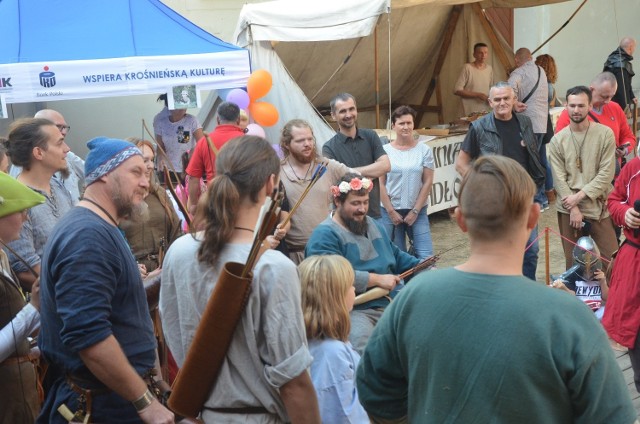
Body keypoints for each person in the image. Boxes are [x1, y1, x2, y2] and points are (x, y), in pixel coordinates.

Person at [356, 155, 637, 424]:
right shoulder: (569, 317)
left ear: (460, 219)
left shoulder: (415, 298)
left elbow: (374, 391)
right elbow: (611, 416)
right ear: (533, 217)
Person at [160, 136, 320, 423]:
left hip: (203, 415)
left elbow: (173, 327)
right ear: (270, 184)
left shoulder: (178, 252)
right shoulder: (274, 267)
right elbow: (294, 382)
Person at [37, 138, 174, 423]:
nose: (145, 184)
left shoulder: (100, 227)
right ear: (103, 175)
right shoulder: (87, 236)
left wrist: (157, 384)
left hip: (116, 398)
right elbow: (88, 335)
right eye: (135, 172)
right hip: (102, 405)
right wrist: (145, 402)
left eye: (147, 174)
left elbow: (119, 311)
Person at [305, 172, 420, 354]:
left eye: (365, 202)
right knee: (363, 349)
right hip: (352, 309)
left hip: (389, 301)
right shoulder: (324, 234)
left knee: (420, 335)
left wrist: (423, 267)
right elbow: (327, 277)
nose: (362, 209)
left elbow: (396, 255)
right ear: (338, 202)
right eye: (355, 203)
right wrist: (375, 279)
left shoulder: (373, 224)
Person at [455, 82, 545, 280]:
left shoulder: (525, 122)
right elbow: (461, 163)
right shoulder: (479, 127)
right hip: (496, 197)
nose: (502, 103)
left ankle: (525, 289)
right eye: (497, 99)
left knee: (530, 249)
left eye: (506, 98)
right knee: (497, 248)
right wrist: (482, 184)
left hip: (525, 193)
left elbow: (533, 156)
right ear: (490, 102)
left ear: (514, 100)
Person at [548, 86, 618, 269]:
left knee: (612, 260)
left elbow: (606, 174)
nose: (576, 110)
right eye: (572, 105)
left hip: (598, 206)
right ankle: (574, 298)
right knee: (573, 265)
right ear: (566, 106)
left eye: (581, 105)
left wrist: (578, 197)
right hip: (569, 209)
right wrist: (573, 208)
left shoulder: (605, 134)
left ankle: (611, 297)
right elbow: (558, 178)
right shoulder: (558, 140)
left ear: (589, 106)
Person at [5, 118, 74, 291]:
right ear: (38, 153)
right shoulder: (17, 201)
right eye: (59, 143)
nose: (67, 149)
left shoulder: (58, 187)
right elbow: (27, 271)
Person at [298, 255, 368, 424]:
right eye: (350, 286)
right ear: (336, 297)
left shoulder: (319, 344)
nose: (354, 290)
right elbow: (344, 415)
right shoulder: (331, 354)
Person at [0, 172, 45, 424]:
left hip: (20, 397)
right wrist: (34, 308)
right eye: (21, 210)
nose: (25, 217)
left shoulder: (3, 257)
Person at [279, 119, 351, 264]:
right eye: (300, 140)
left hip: (326, 248)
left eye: (310, 139)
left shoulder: (326, 165)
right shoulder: (277, 171)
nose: (307, 144)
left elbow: (357, 179)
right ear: (286, 144)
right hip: (294, 254)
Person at [603, 155, 640, 392]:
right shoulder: (634, 167)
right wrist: (624, 213)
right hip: (634, 264)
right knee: (636, 339)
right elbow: (614, 199)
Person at [322, 93, 390, 219]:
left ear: (356, 110)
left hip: (374, 215)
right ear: (333, 115)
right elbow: (333, 181)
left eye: (351, 109)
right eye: (342, 111)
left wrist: (348, 175)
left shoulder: (371, 136)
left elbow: (386, 165)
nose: (348, 115)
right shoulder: (328, 147)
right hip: (346, 219)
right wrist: (371, 172)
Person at [380, 105, 435, 260]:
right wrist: (391, 212)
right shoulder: (384, 150)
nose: (406, 127)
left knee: (425, 255)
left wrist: (416, 211)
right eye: (401, 123)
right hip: (390, 211)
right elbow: (380, 183)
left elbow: (428, 181)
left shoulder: (424, 150)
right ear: (393, 126)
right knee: (399, 256)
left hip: (418, 210)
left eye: (409, 123)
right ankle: (402, 284)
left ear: (413, 124)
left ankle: (424, 283)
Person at [121, 138, 182, 273]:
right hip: (134, 274)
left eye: (152, 160)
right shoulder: (119, 199)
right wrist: (130, 267)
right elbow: (109, 245)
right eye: (145, 160)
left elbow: (177, 233)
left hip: (165, 269)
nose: (151, 166)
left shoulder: (159, 193)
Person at [556, 72, 636, 171]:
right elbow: (560, 147)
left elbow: (628, 137)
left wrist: (625, 150)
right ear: (591, 90)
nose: (607, 101)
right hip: (583, 175)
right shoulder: (572, 113)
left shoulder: (615, 108)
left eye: (611, 96)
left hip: (611, 173)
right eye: (604, 96)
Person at [10, 110, 86, 204]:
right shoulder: (22, 200)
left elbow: (92, 172)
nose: (63, 132)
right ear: (38, 152)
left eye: (65, 127)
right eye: (58, 127)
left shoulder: (58, 187)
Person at [185, 101, 244, 215]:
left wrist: (193, 204)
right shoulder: (247, 141)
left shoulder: (204, 141)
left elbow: (193, 178)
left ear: (217, 119)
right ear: (238, 120)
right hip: (241, 200)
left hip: (215, 200)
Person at [509, 47, 550, 209]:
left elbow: (509, 89)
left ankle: (536, 200)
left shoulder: (518, 73)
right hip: (541, 123)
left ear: (517, 60)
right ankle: (542, 199)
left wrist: (513, 103)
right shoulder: (542, 71)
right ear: (531, 58)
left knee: (528, 162)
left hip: (526, 123)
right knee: (538, 161)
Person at [550, 236, 608, 320]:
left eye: (591, 267)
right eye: (584, 268)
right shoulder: (573, 275)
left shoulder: (599, 274)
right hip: (579, 313)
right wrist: (563, 288)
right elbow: (572, 296)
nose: (588, 271)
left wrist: (603, 282)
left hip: (598, 314)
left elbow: (607, 298)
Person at [153, 94, 204, 176]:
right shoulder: (161, 122)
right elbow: (160, 145)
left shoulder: (192, 121)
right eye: (178, 106)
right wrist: (160, 157)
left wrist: (194, 152)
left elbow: (202, 143)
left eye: (184, 106)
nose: (183, 109)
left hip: (187, 168)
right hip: (167, 169)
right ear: (170, 107)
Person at [534, 54, 559, 202]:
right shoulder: (550, 86)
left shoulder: (543, 85)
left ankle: (546, 192)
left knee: (539, 160)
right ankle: (550, 190)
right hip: (545, 124)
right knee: (543, 159)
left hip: (539, 124)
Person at [453, 42, 493, 116]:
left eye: (485, 53)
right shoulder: (467, 68)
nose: (483, 55)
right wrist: (477, 95)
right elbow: (457, 90)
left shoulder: (489, 69)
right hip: (468, 113)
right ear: (474, 54)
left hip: (484, 112)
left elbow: (490, 88)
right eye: (480, 53)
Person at [603, 37, 637, 111]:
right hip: (616, 104)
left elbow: (626, 83)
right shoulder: (621, 64)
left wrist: (632, 96)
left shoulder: (612, 58)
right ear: (630, 48)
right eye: (634, 48)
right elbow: (622, 90)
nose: (634, 50)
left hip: (608, 101)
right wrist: (625, 108)